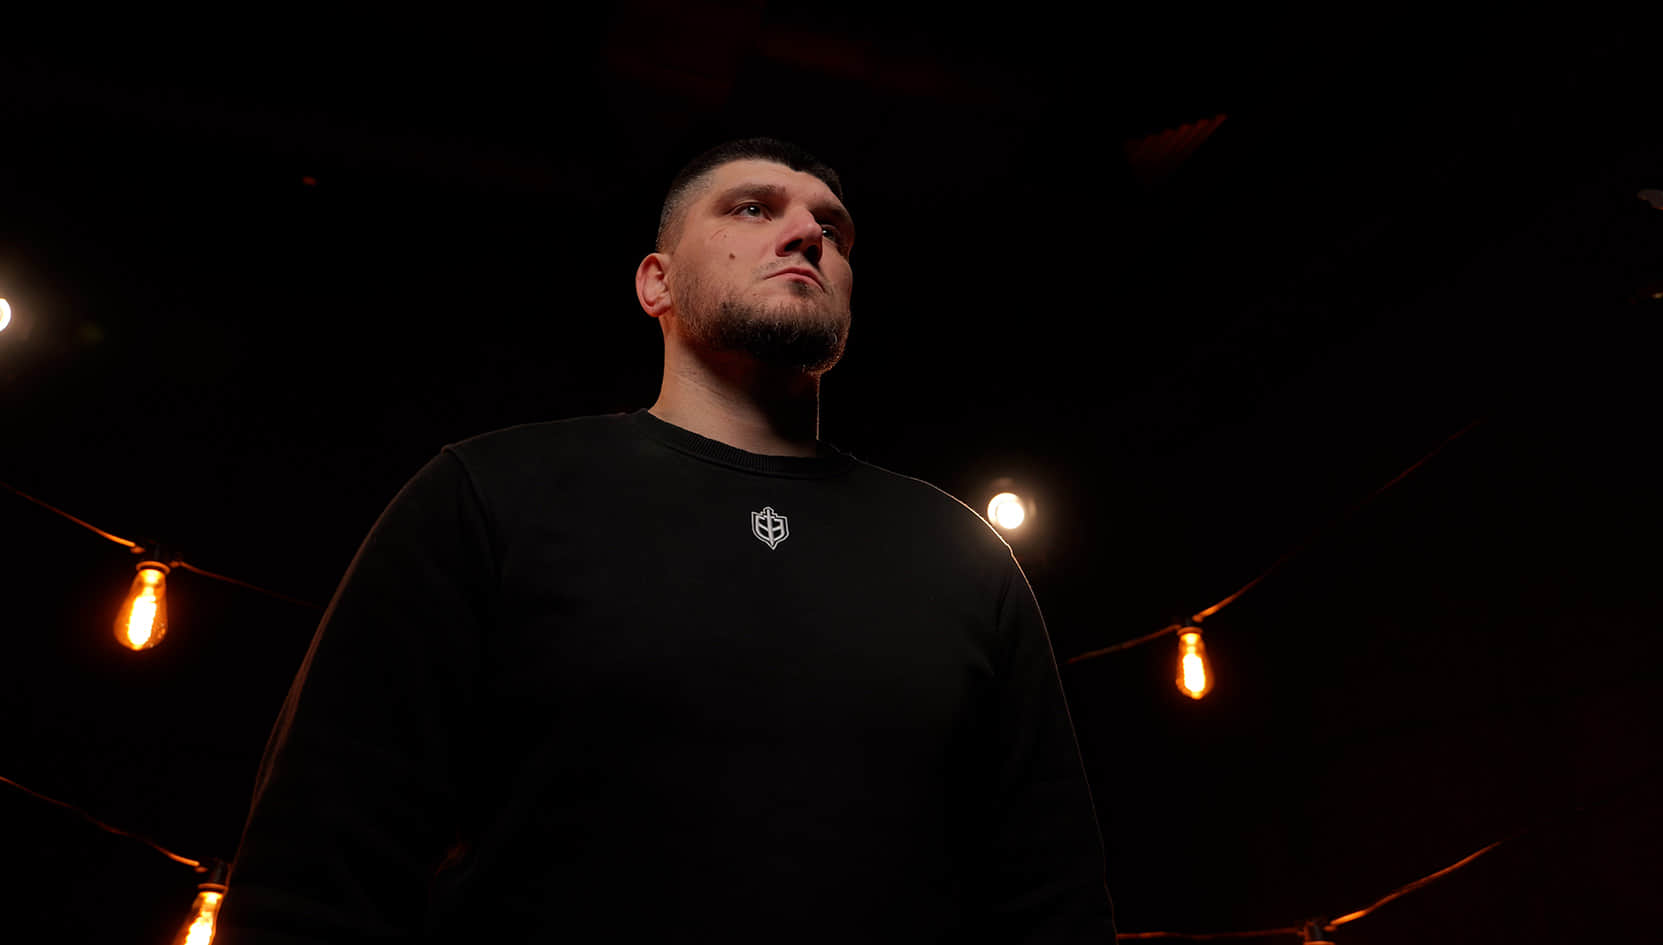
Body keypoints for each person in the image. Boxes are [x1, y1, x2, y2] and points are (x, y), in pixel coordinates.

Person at [219, 137, 1116, 943]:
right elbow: (316, 867)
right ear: (656, 282)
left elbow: (1052, 897)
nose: (808, 235)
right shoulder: (487, 494)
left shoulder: (961, 552)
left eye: (834, 231)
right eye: (753, 209)